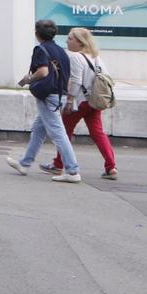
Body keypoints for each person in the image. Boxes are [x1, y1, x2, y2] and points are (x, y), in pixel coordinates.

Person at [8, 18, 83, 182]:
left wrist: (29, 79)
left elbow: (42, 72)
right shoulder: (61, 51)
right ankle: (24, 163)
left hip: (48, 96)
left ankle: (72, 170)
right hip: (60, 95)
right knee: (38, 129)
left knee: (58, 133)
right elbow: (67, 76)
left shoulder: (41, 50)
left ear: (37, 34)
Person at [51, 26, 118, 180]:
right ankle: (111, 166)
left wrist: (69, 100)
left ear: (80, 43)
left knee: (64, 131)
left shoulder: (76, 57)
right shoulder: (96, 57)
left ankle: (59, 164)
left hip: (80, 101)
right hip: (94, 101)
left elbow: (75, 80)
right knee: (98, 133)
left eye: (70, 38)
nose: (66, 41)